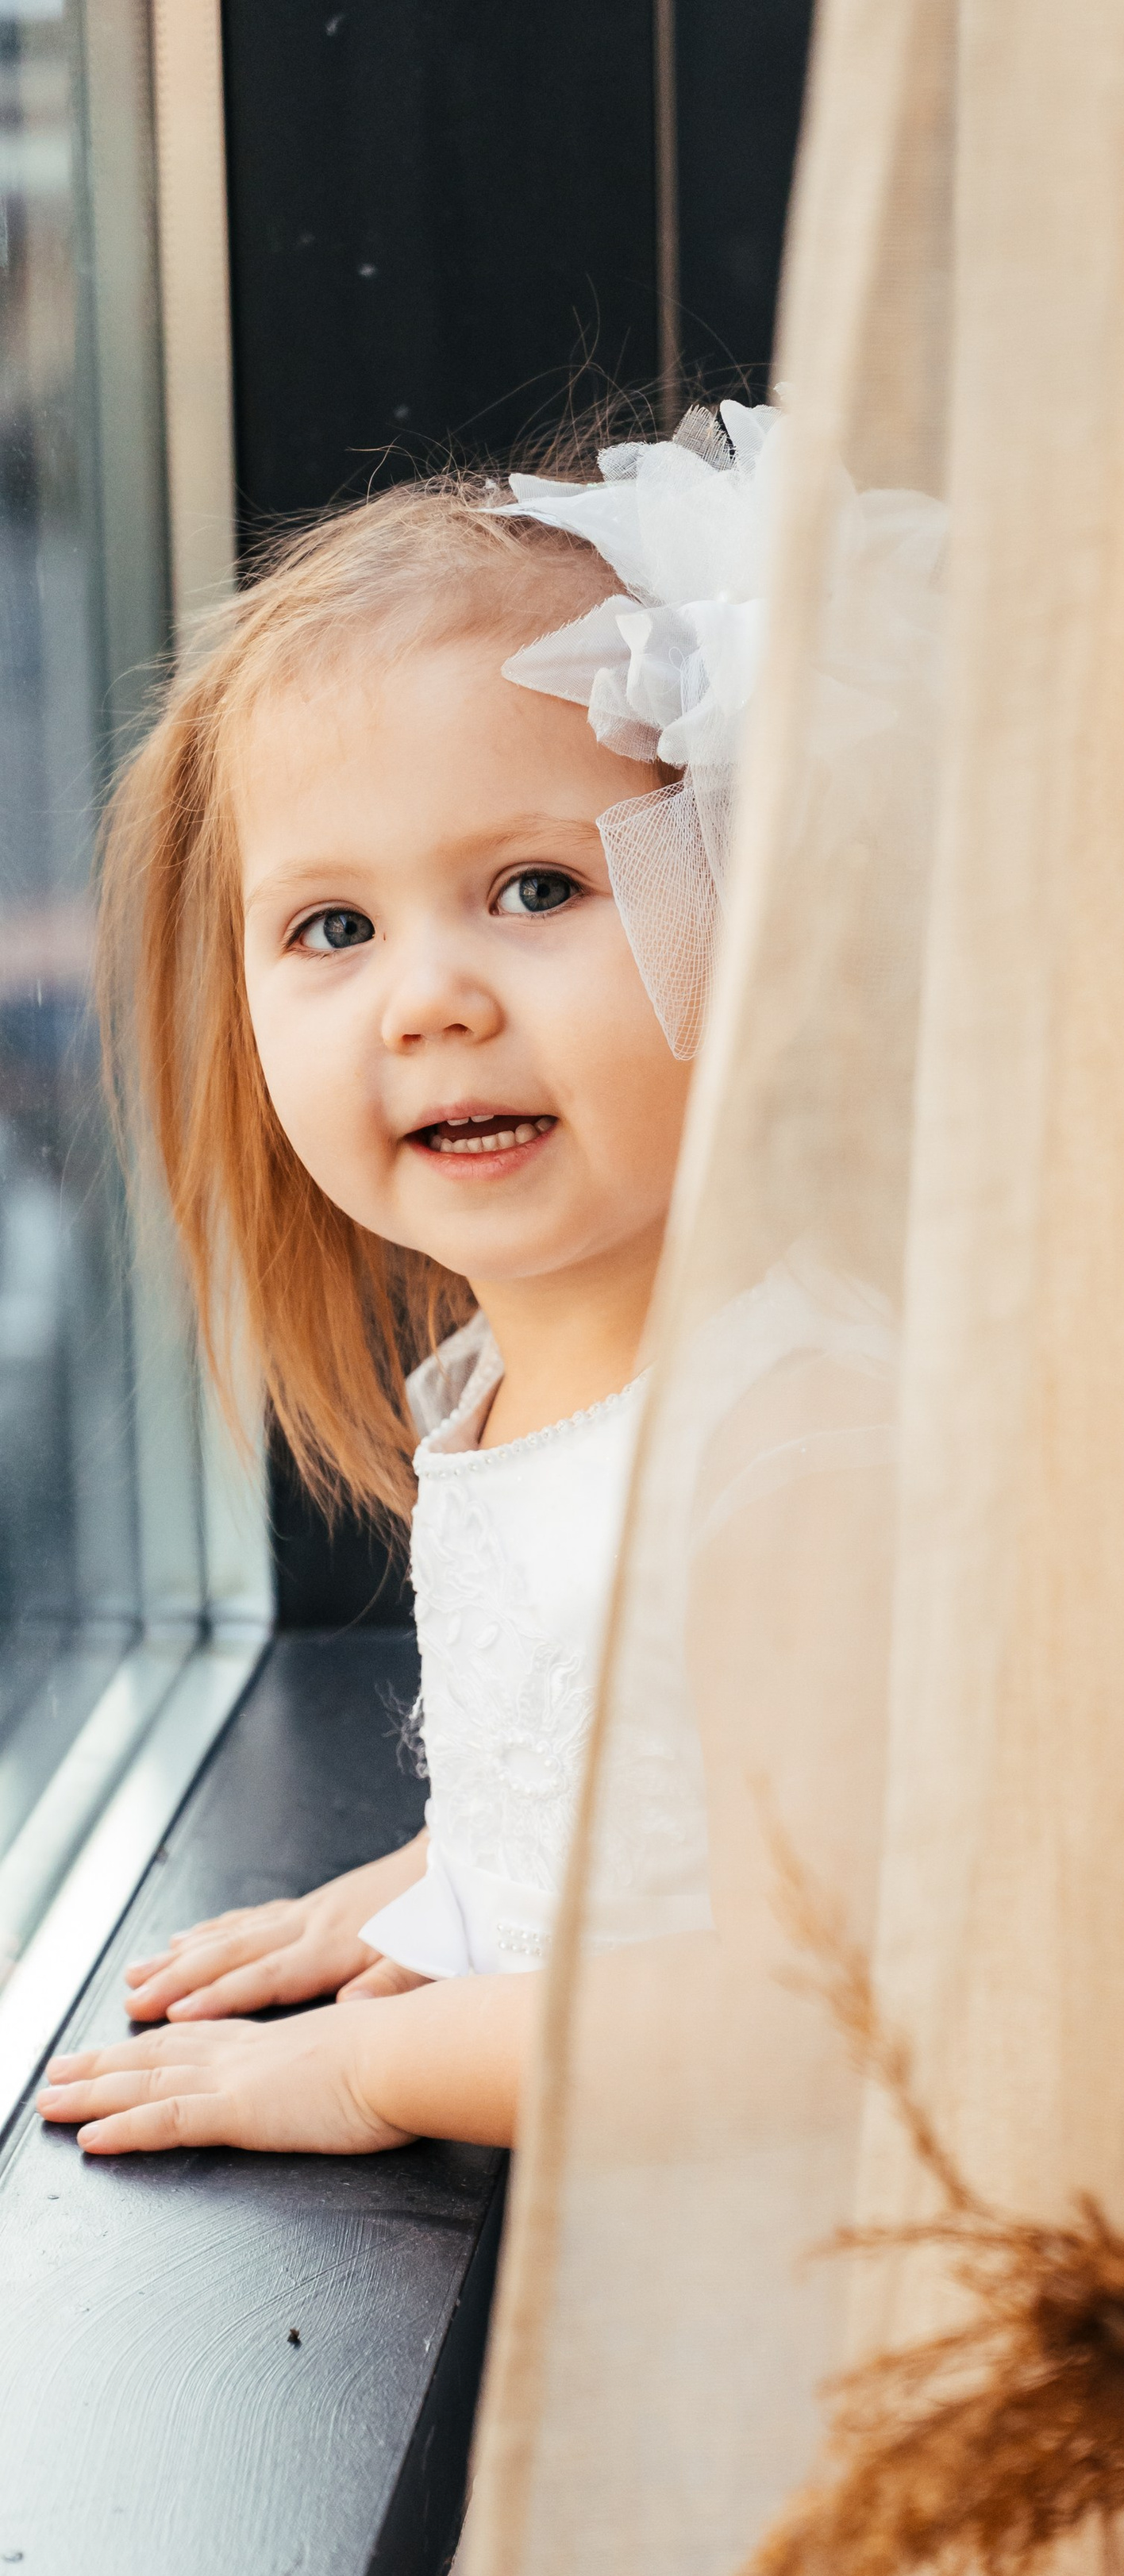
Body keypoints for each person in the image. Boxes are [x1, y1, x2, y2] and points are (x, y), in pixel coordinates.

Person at [37, 403, 921, 2162]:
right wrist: (430, 1889)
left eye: (533, 887)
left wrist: (372, 2066)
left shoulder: (789, 1445)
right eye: (332, 929)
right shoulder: (510, 1374)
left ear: (766, 910)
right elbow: (649, 1790)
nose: (425, 998)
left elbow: (811, 2009)